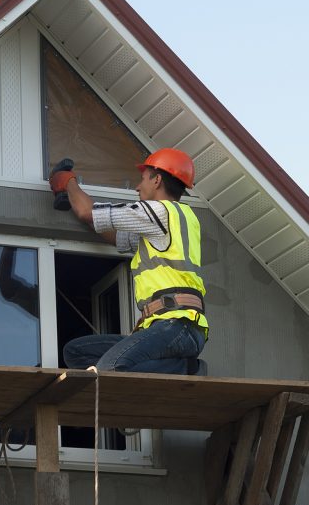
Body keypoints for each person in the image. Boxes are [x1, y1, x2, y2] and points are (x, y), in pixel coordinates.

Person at [49, 148, 208, 374]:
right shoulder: (178, 220)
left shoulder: (160, 211)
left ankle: (186, 367)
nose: (137, 186)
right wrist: (91, 218)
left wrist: (68, 182)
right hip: (175, 327)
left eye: (142, 179)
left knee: (110, 368)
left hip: (176, 325)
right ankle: (178, 366)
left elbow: (88, 212)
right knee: (76, 352)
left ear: (157, 180)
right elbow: (117, 237)